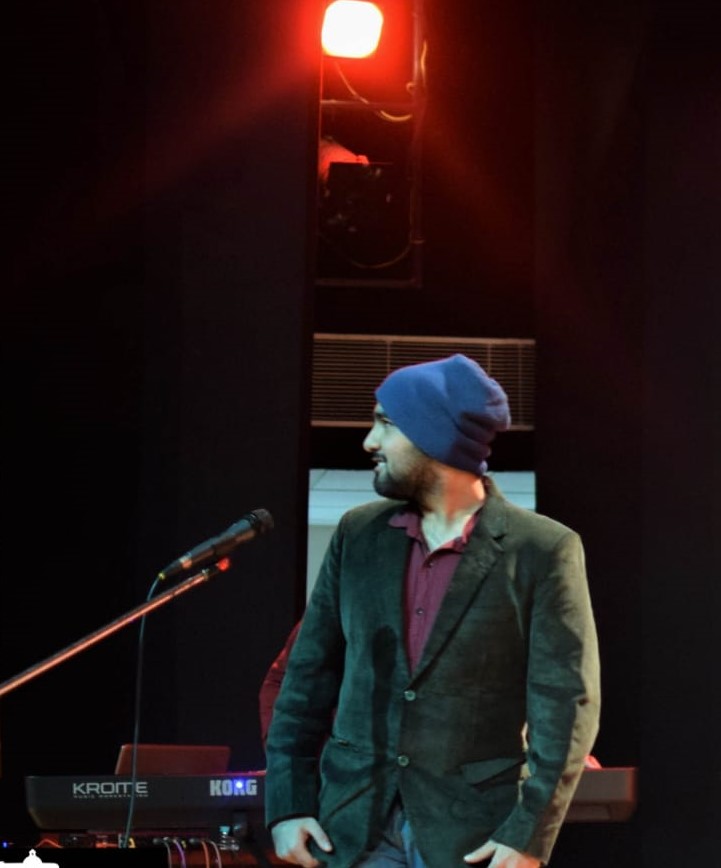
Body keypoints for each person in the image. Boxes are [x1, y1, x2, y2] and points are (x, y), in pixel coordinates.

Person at [264, 354, 601, 868]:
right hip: (353, 828)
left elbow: (566, 704)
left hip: (472, 834)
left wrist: (529, 833)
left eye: (385, 423)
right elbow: (305, 681)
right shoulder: (358, 535)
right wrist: (288, 806)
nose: (369, 442)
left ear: (435, 436)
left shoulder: (541, 549)